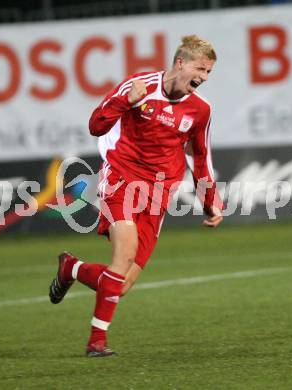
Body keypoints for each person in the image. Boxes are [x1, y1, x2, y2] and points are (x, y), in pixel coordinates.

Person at [49, 35, 224, 357]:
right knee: (123, 257)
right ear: (180, 62)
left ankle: (71, 268)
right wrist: (125, 102)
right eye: (200, 68)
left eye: (210, 72)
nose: (203, 78)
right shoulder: (139, 85)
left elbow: (201, 157)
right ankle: (96, 343)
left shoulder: (200, 110)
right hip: (121, 181)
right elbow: (96, 126)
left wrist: (209, 200)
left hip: (158, 195)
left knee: (122, 284)